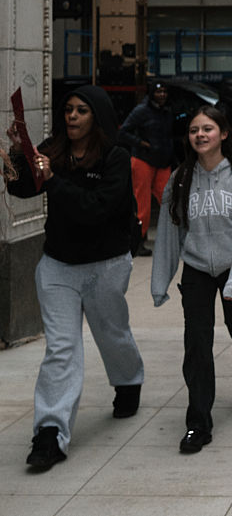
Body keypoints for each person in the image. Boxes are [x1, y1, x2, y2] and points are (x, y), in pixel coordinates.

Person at [5, 86, 145, 470]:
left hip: (106, 264)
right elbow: (22, 188)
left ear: (96, 117)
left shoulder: (116, 157)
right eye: (68, 110)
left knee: (111, 332)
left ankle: (128, 380)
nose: (72, 117)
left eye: (81, 111)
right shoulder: (53, 150)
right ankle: (50, 434)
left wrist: (52, 181)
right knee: (61, 350)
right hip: (58, 267)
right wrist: (16, 154)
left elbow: (95, 210)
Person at [151, 105, 232, 454]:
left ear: (224, 134)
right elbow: (170, 233)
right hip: (198, 269)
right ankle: (198, 423)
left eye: (208, 129)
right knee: (197, 345)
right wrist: (160, 282)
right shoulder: (181, 179)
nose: (200, 135)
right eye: (194, 130)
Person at [118, 80, 174, 256]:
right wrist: (142, 143)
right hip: (143, 160)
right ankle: (138, 239)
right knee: (142, 203)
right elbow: (123, 132)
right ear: (152, 93)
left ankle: (174, 236)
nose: (162, 95)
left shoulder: (166, 111)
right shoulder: (141, 111)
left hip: (162, 161)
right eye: (159, 92)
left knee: (169, 198)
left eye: (164, 91)